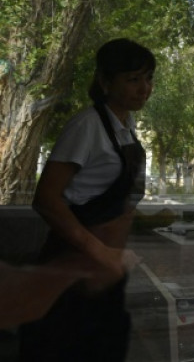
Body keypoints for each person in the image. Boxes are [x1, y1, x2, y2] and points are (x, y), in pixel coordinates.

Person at [19, 38, 154, 361]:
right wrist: (101, 252)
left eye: (148, 78)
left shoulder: (126, 127)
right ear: (106, 82)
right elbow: (47, 200)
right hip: (70, 269)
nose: (144, 88)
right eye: (133, 79)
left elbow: (106, 197)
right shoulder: (87, 126)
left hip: (102, 273)